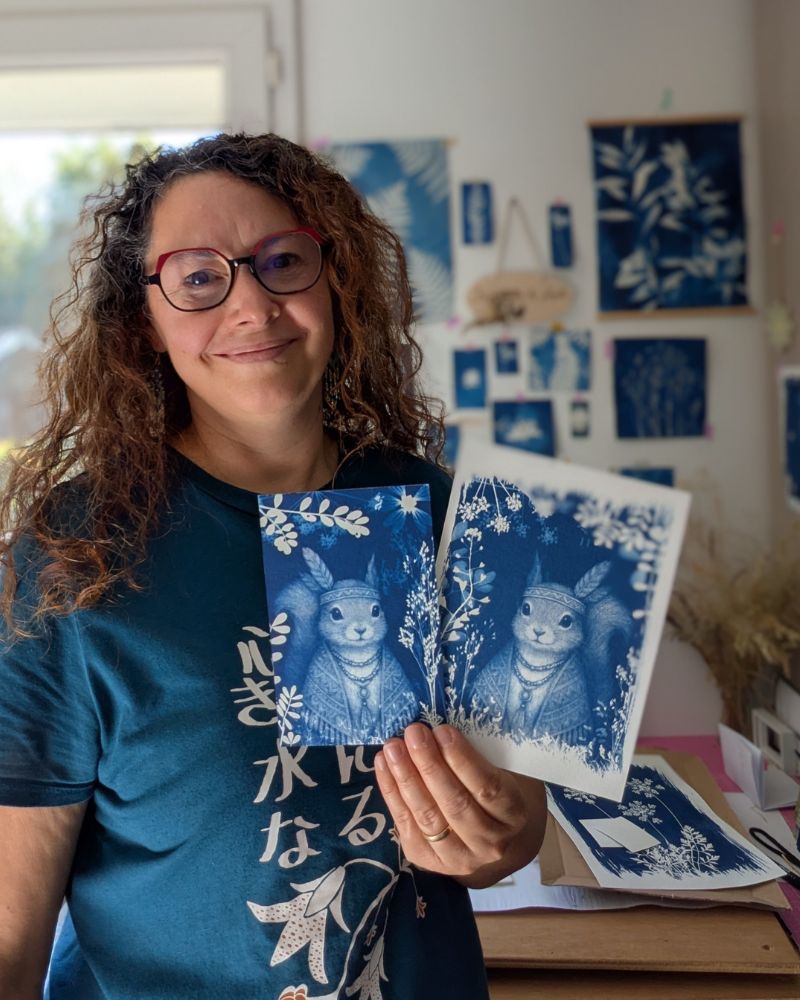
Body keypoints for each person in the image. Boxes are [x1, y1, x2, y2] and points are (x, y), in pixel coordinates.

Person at [0, 132, 547, 1000]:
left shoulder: (443, 515)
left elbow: (515, 823)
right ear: (144, 321)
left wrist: (500, 838)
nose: (251, 306)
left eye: (281, 260)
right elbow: (10, 928)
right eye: (197, 276)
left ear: (336, 285)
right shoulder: (75, 550)